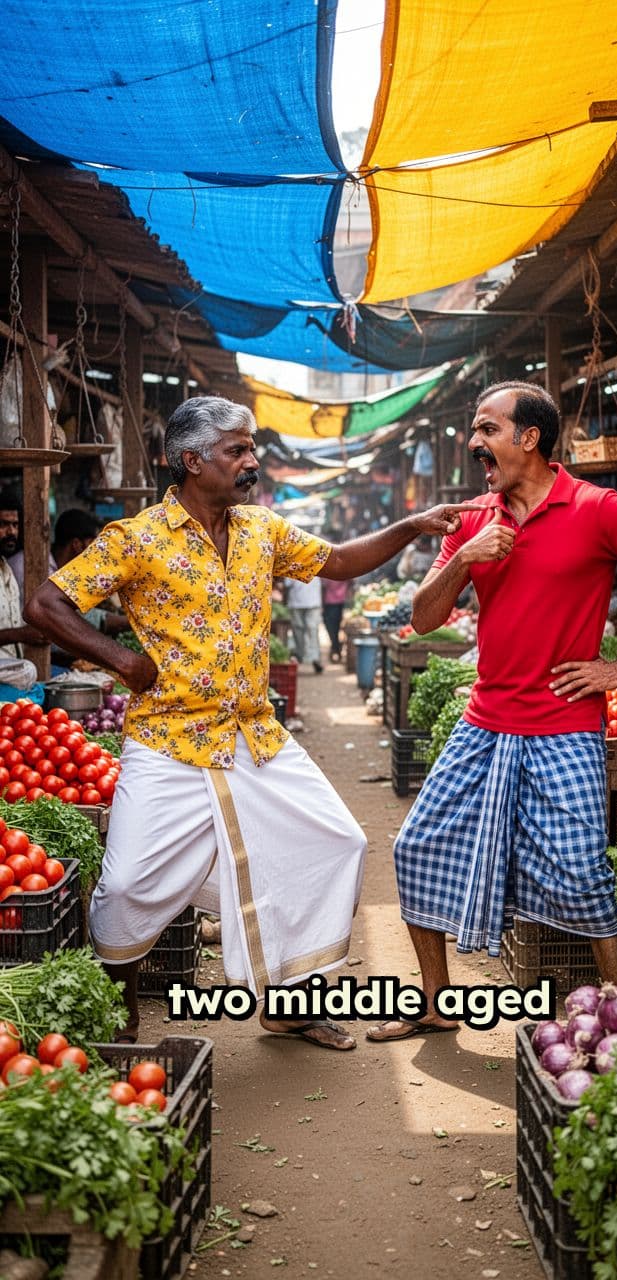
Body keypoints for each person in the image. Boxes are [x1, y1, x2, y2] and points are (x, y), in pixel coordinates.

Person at [25, 395, 475, 1051]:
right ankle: (121, 1010)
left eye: (251, 448)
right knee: (124, 886)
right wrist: (122, 660)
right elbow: (45, 604)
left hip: (254, 736)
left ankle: (289, 1005)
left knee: (337, 844)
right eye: (237, 449)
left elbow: (340, 560)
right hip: (168, 741)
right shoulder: (136, 538)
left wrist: (412, 526)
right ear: (191, 460)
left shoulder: (263, 530)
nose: (251, 460)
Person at [367, 380, 617, 1042]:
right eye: (475, 429)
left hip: (565, 726)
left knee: (582, 874)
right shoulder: (473, 518)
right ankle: (434, 1002)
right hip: (484, 720)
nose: (474, 442)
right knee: (415, 849)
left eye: (487, 429)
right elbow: (425, 618)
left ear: (530, 438)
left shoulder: (597, 508)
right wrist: (463, 559)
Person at [10, 508, 128, 649]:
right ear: (76, 544)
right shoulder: (32, 567)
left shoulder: (64, 571)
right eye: (93, 545)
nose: (97, 553)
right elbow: (63, 619)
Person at [0, 492, 46, 671]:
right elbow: (17, 633)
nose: (11, 532)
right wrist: (19, 635)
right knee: (29, 671)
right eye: (3, 524)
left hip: (10, 668)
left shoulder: (7, 570)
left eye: (15, 525)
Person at [285, 573, 323, 673]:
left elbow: (286, 584)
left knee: (311, 629)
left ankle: (314, 658)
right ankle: (301, 656)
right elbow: (287, 583)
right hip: (297, 602)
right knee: (301, 631)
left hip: (312, 601)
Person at [321, 575, 349, 663]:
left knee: (332, 627)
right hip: (337, 601)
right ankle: (336, 647)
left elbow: (323, 586)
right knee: (334, 628)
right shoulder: (345, 570)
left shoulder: (328, 571)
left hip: (331, 602)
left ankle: (335, 648)